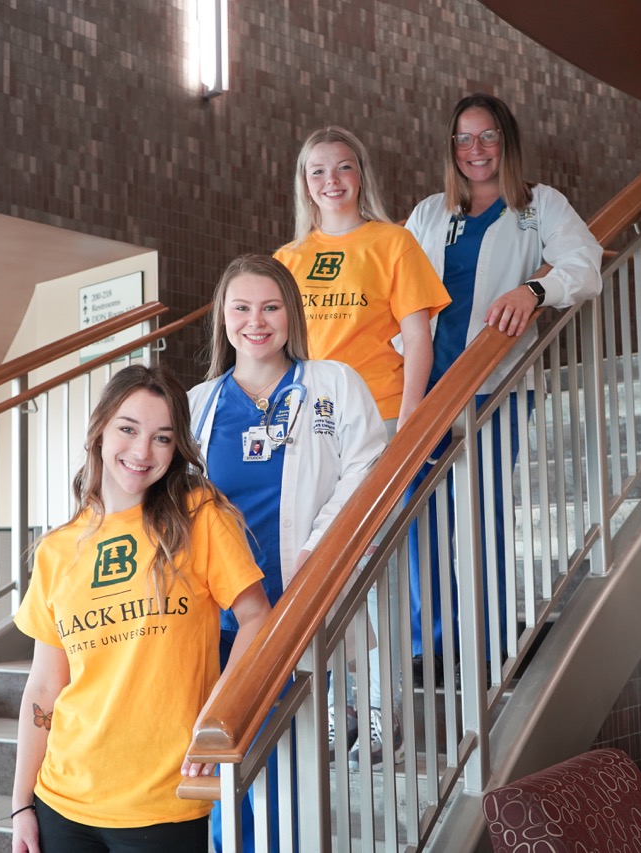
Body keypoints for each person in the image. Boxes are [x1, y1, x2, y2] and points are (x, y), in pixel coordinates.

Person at [11, 364, 271, 853]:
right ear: (100, 430)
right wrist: (22, 802)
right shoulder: (58, 549)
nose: (141, 452)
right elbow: (44, 686)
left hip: (164, 799)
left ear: (176, 450)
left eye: (162, 438)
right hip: (62, 799)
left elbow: (257, 616)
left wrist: (218, 714)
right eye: (128, 429)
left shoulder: (200, 518)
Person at [189, 254, 388, 849]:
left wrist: (317, 543)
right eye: (242, 307)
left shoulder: (332, 382)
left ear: (291, 314)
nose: (257, 321)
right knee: (224, 758)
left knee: (284, 761)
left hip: (295, 602)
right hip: (216, 612)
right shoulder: (199, 403)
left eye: (271, 306)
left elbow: (369, 467)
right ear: (223, 318)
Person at [402, 93, 602, 673]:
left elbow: (584, 263)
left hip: (495, 388)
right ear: (452, 150)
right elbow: (400, 295)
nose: (476, 150)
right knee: (421, 512)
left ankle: (486, 639)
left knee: (480, 510)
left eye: (487, 136)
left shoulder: (539, 206)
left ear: (506, 141)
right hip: (425, 384)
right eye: (464, 140)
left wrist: (533, 289)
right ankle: (431, 643)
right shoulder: (429, 214)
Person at [273, 125, 450, 433]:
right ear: (304, 184)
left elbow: (418, 337)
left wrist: (411, 412)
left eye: (344, 167)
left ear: (361, 175)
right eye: (317, 171)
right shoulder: (286, 259)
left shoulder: (395, 242)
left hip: (380, 409)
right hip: (308, 415)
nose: (331, 180)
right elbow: (275, 349)